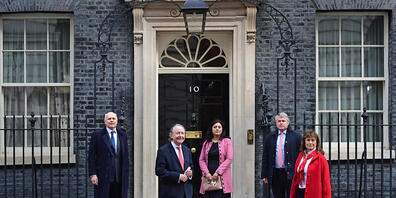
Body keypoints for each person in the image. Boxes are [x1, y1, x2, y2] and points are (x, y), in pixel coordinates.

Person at [88, 112, 129, 198]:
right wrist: (93, 174)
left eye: (113, 119)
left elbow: (125, 157)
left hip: (119, 177)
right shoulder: (97, 135)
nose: (111, 120)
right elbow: (91, 156)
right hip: (103, 177)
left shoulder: (123, 135)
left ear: (117, 121)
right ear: (105, 121)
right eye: (109, 119)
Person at [261, 112, 302, 198]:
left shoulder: (296, 136)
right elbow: (265, 156)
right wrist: (264, 174)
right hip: (275, 173)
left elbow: (301, 155)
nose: (281, 123)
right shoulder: (270, 137)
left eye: (283, 121)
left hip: (290, 173)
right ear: (276, 123)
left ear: (288, 122)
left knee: (291, 195)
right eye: (279, 121)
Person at [155, 124, 193, 198]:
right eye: (178, 133)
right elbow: (159, 171)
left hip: (186, 193)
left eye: (182, 133)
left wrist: (190, 174)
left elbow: (191, 167)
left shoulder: (187, 150)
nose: (180, 135)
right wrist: (178, 176)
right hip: (170, 193)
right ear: (171, 135)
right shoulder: (163, 150)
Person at [290, 131, 331, 198]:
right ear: (304, 142)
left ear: (317, 142)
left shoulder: (321, 158)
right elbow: (295, 177)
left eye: (313, 140)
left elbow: (326, 182)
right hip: (300, 192)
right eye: (308, 140)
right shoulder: (301, 156)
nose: (310, 143)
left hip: (313, 194)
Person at [199, 120, 233, 198]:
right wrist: (206, 173)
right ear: (211, 129)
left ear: (222, 129)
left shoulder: (227, 141)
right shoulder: (206, 143)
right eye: (215, 127)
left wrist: (218, 173)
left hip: (221, 177)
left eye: (219, 127)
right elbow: (201, 160)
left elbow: (229, 159)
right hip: (208, 178)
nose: (217, 129)